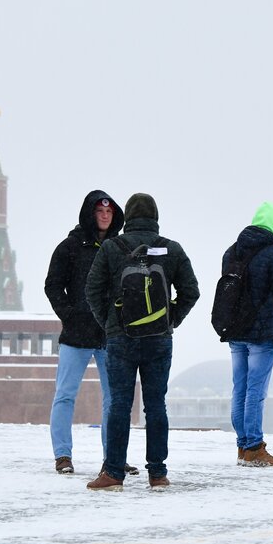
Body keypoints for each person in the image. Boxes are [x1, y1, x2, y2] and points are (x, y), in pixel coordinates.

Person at [84, 193, 200, 491]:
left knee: (120, 405)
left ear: (128, 217)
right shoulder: (171, 249)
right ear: (155, 217)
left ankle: (112, 474)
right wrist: (169, 320)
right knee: (156, 405)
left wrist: (111, 324)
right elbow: (191, 291)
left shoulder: (112, 247)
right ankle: (158, 474)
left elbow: (92, 290)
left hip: (121, 339)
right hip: (159, 340)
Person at [44, 190, 130, 476]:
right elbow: (53, 285)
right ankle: (62, 455)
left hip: (111, 335)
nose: (105, 216)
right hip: (76, 335)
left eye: (109, 212)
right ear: (90, 213)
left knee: (114, 398)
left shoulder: (120, 248)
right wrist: (69, 314)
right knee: (65, 395)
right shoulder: (69, 247)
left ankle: (114, 457)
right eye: (99, 211)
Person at [223, 202, 273, 468]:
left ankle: (243, 446)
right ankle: (254, 446)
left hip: (236, 330)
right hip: (263, 333)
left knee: (239, 388)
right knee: (256, 391)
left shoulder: (232, 251)